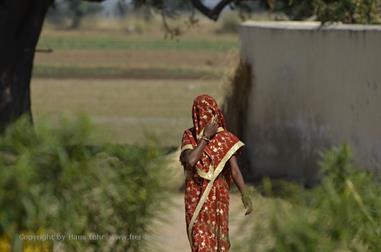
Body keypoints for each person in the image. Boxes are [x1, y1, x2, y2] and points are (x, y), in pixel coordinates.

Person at [180, 94, 253, 252]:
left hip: (218, 203)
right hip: (196, 203)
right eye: (201, 113)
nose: (204, 116)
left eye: (209, 112)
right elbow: (191, 161)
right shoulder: (189, 137)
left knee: (219, 245)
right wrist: (205, 137)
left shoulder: (225, 139)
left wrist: (245, 194)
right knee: (201, 244)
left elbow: (235, 171)